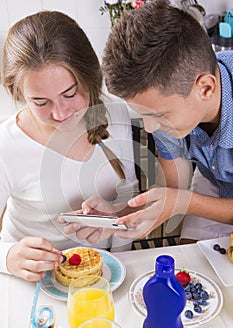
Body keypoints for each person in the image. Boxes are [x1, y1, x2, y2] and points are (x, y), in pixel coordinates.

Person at [0, 10, 138, 281]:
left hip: (106, 274)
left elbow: (131, 202)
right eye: (41, 102)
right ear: (19, 94)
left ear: (89, 78)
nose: (60, 113)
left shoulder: (114, 113)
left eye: (70, 93)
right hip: (31, 282)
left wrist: (114, 216)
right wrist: (8, 257)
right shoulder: (6, 145)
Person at [94, 0, 233, 244]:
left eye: (157, 116)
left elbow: (179, 200)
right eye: (144, 115)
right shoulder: (162, 110)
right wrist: (119, 214)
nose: (149, 128)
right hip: (215, 179)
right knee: (191, 272)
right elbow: (173, 190)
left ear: (206, 88)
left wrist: (182, 203)